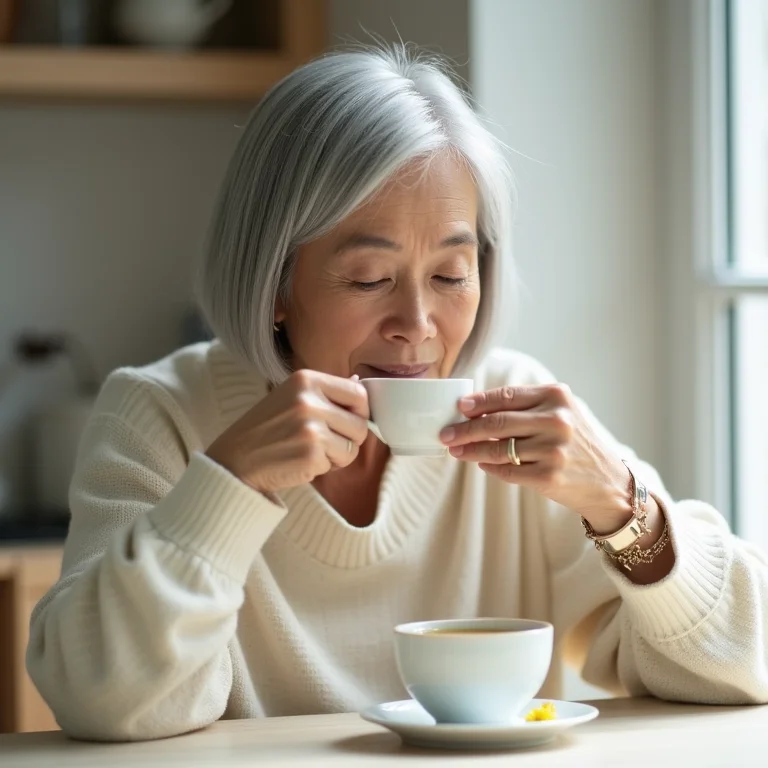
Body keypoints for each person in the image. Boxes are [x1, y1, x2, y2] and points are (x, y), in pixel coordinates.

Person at [27, 45, 768, 742]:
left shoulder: (518, 408)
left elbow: (741, 664)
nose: (416, 328)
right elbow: (105, 701)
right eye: (369, 279)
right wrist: (228, 486)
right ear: (275, 283)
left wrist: (622, 507)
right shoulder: (160, 415)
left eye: (451, 275)